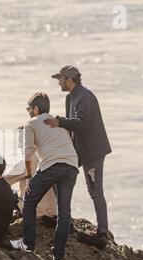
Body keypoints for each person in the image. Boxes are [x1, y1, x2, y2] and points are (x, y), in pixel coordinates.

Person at [45, 66, 112, 249]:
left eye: (60, 79)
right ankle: (66, 222)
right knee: (57, 177)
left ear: (69, 79)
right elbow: (72, 127)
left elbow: (82, 124)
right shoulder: (70, 97)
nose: (58, 82)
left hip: (92, 153)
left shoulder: (85, 97)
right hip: (78, 151)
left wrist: (60, 121)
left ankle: (102, 235)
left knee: (95, 192)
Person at [10, 92, 79, 260]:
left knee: (28, 201)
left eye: (29, 108)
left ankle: (27, 243)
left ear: (35, 108)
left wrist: (28, 176)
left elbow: (28, 152)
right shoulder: (58, 123)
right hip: (71, 165)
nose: (28, 112)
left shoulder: (31, 124)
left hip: (52, 165)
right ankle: (58, 254)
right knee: (64, 211)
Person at [4, 125, 58, 221]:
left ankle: (14, 215)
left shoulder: (26, 161)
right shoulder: (45, 157)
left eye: (20, 141)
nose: (19, 145)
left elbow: (4, 181)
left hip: (37, 212)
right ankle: (18, 211)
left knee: (3, 190)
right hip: (52, 212)